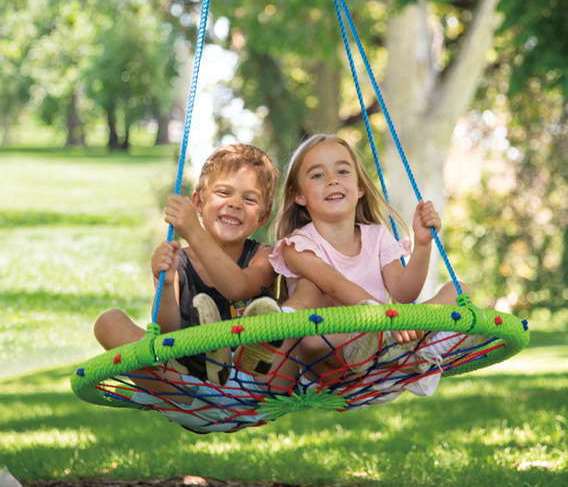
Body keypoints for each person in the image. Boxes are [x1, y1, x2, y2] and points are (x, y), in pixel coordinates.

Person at [245, 133, 488, 399]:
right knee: (311, 330)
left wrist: (422, 245)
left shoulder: (377, 236)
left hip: (384, 338)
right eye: (317, 175)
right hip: (329, 358)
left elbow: (405, 292)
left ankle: (413, 350)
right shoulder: (298, 245)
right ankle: (426, 347)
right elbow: (337, 286)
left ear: (360, 188)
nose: (333, 180)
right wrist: (385, 320)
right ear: (299, 195)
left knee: (458, 289)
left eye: (342, 171)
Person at [92, 143, 280, 432]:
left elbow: (237, 289)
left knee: (266, 321)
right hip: (185, 388)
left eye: (250, 199)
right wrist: (166, 285)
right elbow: (167, 334)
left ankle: (221, 359)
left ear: (263, 217)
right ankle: (199, 367)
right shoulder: (177, 261)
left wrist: (193, 229)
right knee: (109, 322)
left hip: (247, 388)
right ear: (199, 202)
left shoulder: (264, 257)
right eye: (223, 192)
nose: (235, 203)